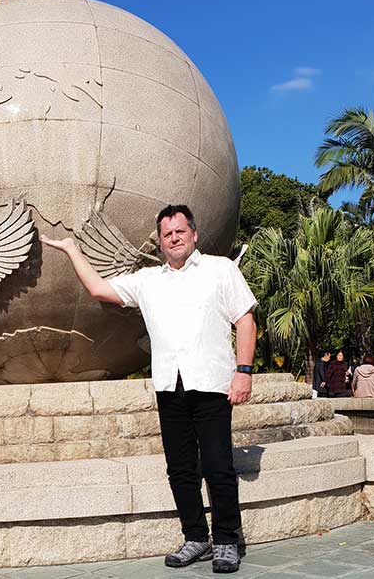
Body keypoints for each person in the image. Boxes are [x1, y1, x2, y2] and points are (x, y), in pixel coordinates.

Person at [41, 204, 257, 574]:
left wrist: (244, 372)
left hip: (211, 384)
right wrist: (72, 250)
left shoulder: (220, 269)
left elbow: (245, 318)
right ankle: (196, 537)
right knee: (180, 469)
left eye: (180, 231)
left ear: (194, 233)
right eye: (167, 233)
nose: (174, 237)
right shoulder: (148, 280)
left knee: (219, 465)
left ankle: (226, 540)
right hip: (168, 385)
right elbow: (99, 290)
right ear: (159, 241)